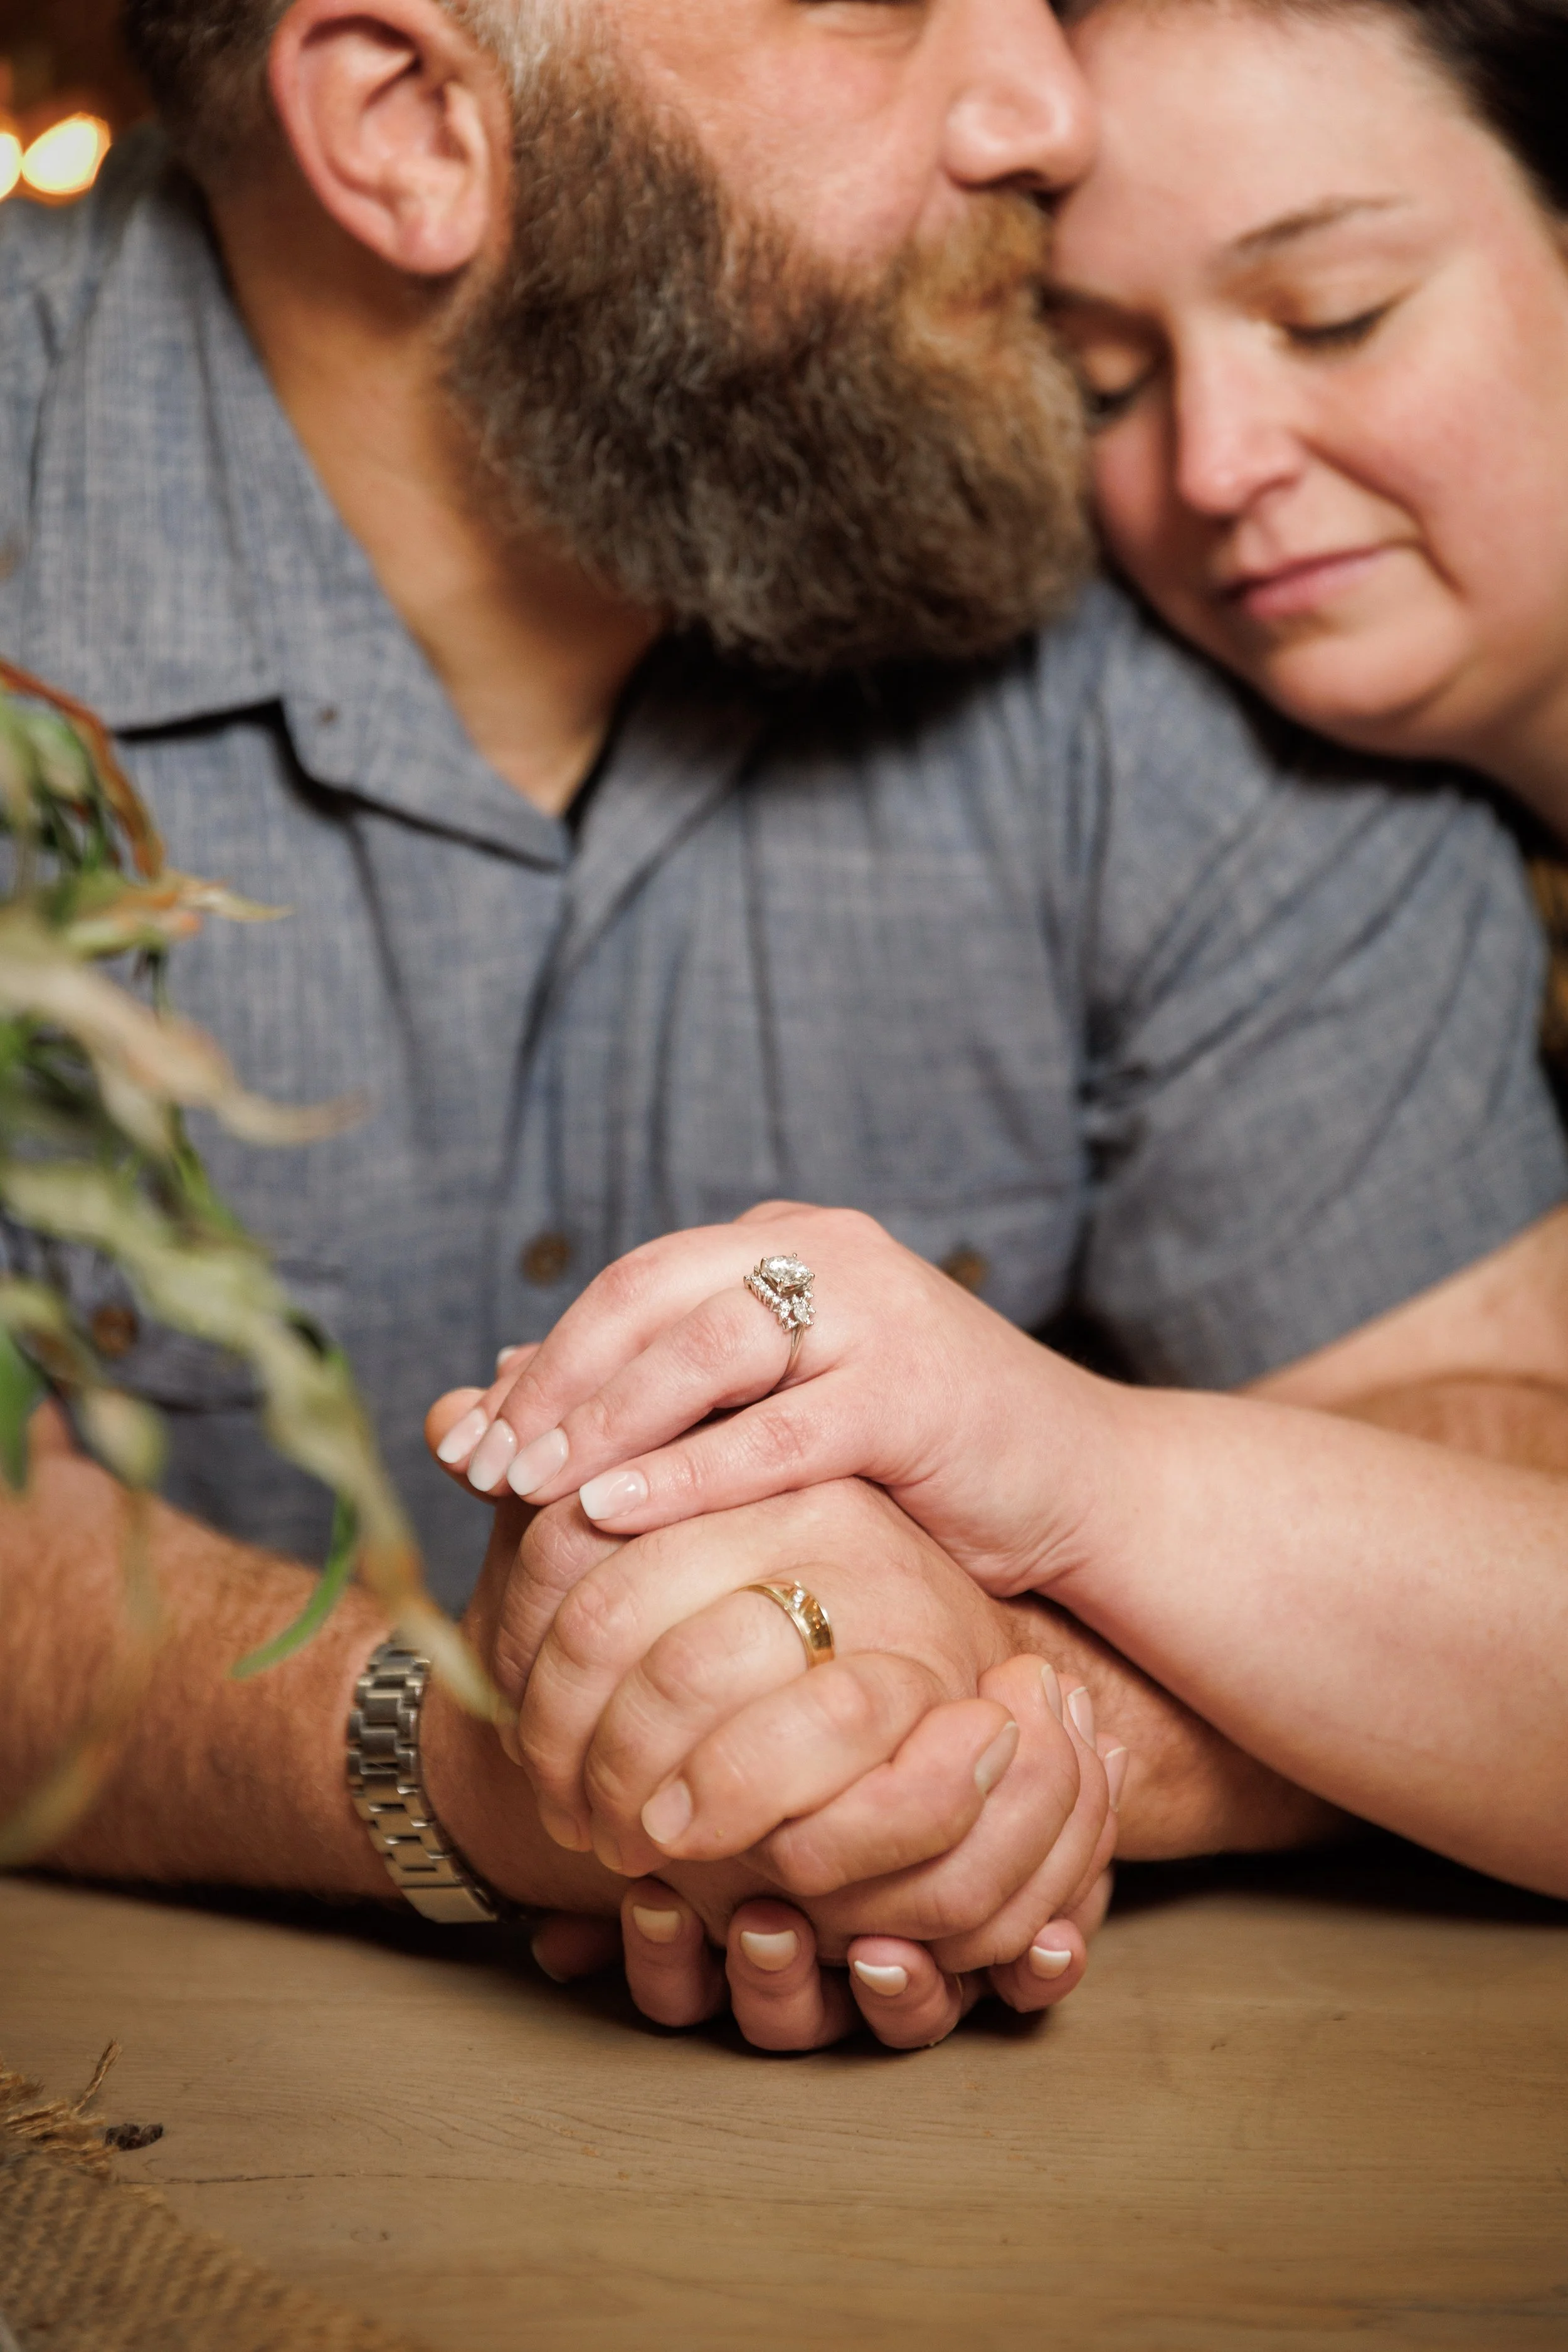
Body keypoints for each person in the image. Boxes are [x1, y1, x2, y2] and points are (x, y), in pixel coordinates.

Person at [3, 0, 1567, 2053]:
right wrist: (472, 1762)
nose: (1044, 105)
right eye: (888, 6)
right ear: (409, 123)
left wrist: (989, 1724)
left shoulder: (1146, 532)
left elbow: (1496, 1465)